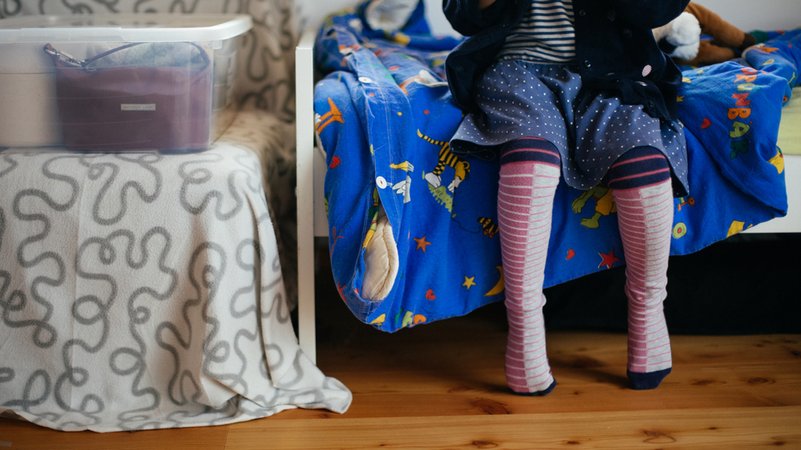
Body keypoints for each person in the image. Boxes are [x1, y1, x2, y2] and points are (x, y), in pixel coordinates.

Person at [443, 0, 691, 395]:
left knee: (643, 162)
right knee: (531, 161)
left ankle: (647, 311)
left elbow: (654, 12)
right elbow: (463, 16)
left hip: (614, 75)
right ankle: (524, 324)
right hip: (518, 71)